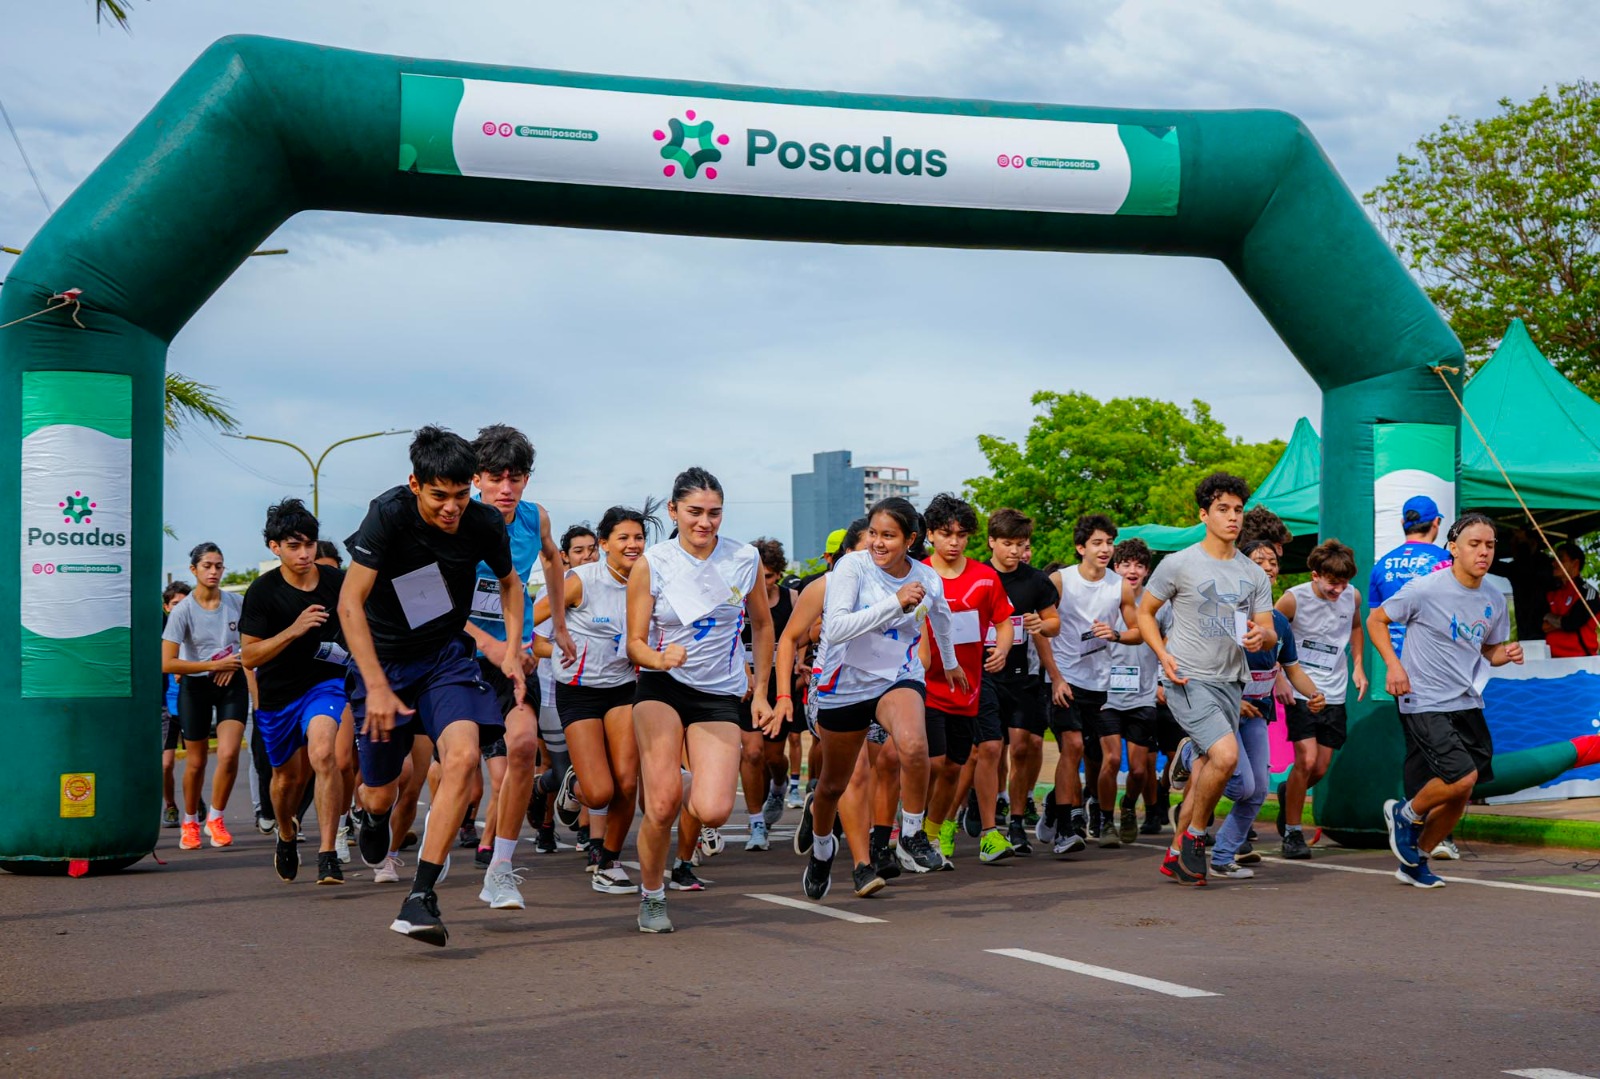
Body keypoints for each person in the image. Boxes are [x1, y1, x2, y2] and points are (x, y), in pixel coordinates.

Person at [340, 426, 527, 946]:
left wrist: (511, 648)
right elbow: (349, 602)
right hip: (383, 663)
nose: (452, 508)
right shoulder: (389, 513)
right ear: (415, 484)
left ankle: (421, 897)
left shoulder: (484, 522)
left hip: (444, 657)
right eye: (439, 496)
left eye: (461, 495)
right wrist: (375, 686)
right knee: (382, 790)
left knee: (464, 759)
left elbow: (511, 584)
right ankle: (369, 814)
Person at [787, 497, 963, 898]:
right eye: (874, 534)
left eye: (889, 536)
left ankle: (912, 836)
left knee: (915, 745)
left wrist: (950, 663)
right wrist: (894, 602)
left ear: (911, 539)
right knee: (833, 785)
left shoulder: (927, 577)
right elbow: (838, 628)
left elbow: (943, 620)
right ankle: (822, 849)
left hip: (896, 676)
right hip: (845, 682)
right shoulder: (853, 567)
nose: (878, 544)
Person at [625, 467, 774, 933]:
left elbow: (764, 626)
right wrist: (659, 656)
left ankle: (685, 775)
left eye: (714, 513)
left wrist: (764, 691)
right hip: (662, 686)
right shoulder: (653, 562)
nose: (705, 522)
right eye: (694, 512)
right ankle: (652, 896)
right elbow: (633, 643)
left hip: (718, 692)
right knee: (663, 805)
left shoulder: (743, 558)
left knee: (713, 809)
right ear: (674, 511)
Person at [1368, 514, 1524, 888]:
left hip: (1466, 701)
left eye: (1489, 545)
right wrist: (1393, 666)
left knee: (1463, 790)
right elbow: (1376, 620)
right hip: (1422, 698)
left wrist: (1507, 654)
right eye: (1474, 544)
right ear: (1453, 548)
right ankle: (1405, 814)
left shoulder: (1494, 598)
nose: (1483, 552)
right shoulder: (1425, 589)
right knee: (1461, 775)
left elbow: (1488, 650)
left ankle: (1415, 861)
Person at [1137, 472, 1277, 886]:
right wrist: (1163, 655)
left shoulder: (1252, 573)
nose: (1233, 517)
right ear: (1205, 514)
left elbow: (1267, 627)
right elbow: (1145, 613)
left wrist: (1260, 634)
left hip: (1230, 681)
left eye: (1238, 510)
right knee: (1227, 756)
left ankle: (1177, 852)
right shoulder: (1179, 563)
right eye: (1223, 509)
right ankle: (1198, 837)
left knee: (1204, 774)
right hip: (1187, 678)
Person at [460, 425, 575, 912]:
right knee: (459, 768)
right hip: (456, 652)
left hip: (515, 653)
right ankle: (403, 836)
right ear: (476, 478)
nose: (507, 489)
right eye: (496, 478)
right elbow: (432, 600)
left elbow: (552, 558)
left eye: (517, 478)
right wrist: (484, 641)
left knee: (525, 746)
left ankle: (501, 870)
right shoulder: (457, 520)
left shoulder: (535, 517)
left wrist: (561, 625)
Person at [536, 502, 655, 895]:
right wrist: (553, 650)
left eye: (639, 537)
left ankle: (608, 861)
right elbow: (523, 623)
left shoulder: (651, 580)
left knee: (626, 781)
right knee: (599, 791)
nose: (633, 544)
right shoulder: (580, 581)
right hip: (578, 693)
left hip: (624, 690)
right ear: (604, 543)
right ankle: (573, 787)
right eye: (623, 537)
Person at [1197, 539, 1325, 879]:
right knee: (1240, 786)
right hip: (1223, 710)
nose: (1267, 566)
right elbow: (1205, 669)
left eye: (1272, 561)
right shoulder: (1225, 617)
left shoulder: (1279, 623)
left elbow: (1293, 668)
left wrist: (1313, 693)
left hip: (1258, 711)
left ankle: (1223, 857)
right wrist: (1234, 700)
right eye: (1258, 560)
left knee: (1256, 792)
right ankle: (1190, 756)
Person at [240, 498, 350, 885]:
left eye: (310, 544)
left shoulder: (336, 581)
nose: (304, 554)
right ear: (275, 547)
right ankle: (286, 834)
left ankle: (327, 853)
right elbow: (249, 656)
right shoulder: (262, 592)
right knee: (287, 780)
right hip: (278, 694)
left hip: (326, 683)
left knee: (323, 753)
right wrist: (294, 629)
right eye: (294, 546)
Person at [919, 493, 1013, 867]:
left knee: (956, 766)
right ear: (930, 535)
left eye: (961, 535)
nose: (954, 542)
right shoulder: (916, 574)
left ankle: (930, 833)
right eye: (946, 534)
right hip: (922, 684)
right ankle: (908, 827)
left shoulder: (985, 578)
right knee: (932, 761)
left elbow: (1004, 620)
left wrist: (1002, 649)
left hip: (967, 687)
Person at [1037, 515, 1141, 852]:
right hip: (1065, 680)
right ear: (1081, 547)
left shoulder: (1120, 586)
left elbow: (1139, 632)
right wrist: (1055, 677)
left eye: (1109, 542)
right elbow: (1040, 628)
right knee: (1073, 747)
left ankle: (1056, 801)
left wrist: (1115, 634)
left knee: (1107, 757)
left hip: (1101, 684)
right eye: (1097, 543)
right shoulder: (1060, 581)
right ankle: (1068, 827)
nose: (1105, 549)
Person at [1276, 539, 1368, 858]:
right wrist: (1278, 678)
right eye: (1332, 583)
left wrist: (1358, 666)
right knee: (1307, 760)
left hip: (1336, 690)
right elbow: (1270, 636)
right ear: (1316, 574)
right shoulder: (1291, 600)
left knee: (1320, 767)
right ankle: (1292, 833)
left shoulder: (1351, 596)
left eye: (1343, 583)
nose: (1338, 590)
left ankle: (1290, 793)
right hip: (1301, 689)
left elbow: (1356, 627)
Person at [162, 543, 250, 851]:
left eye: (219, 566)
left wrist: (235, 661)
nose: (214, 571)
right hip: (195, 686)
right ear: (194, 570)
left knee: (228, 754)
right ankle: (189, 821)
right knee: (197, 762)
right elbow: (167, 662)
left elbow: (254, 642)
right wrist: (214, 665)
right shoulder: (183, 610)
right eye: (208, 566)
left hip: (232, 682)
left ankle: (216, 817)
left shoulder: (236, 603)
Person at [984, 511, 1059, 855]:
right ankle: (982, 811)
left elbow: (1054, 623)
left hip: (1023, 678)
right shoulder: (978, 577)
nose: (1014, 551)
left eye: (1021, 545)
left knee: (1023, 747)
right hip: (982, 676)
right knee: (987, 750)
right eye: (1008, 544)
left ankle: (1015, 821)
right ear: (992, 542)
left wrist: (1040, 626)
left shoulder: (1035, 581)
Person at [738, 538, 799, 852]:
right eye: (758, 576)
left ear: (779, 574)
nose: (763, 583)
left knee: (774, 756)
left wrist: (800, 663)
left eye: (770, 576)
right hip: (744, 685)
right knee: (752, 753)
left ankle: (778, 785)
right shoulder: (736, 598)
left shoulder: (792, 598)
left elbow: (802, 637)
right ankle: (756, 822)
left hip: (780, 685)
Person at [1101, 538, 1162, 844]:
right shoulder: (1106, 602)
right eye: (1126, 564)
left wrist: (1163, 681)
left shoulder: (1157, 607)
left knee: (1139, 770)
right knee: (1111, 760)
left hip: (1143, 695)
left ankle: (1127, 807)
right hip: (1107, 696)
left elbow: (1170, 645)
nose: (1132, 570)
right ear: (1116, 567)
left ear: (1147, 571)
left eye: (1139, 565)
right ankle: (1104, 820)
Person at [1367, 495, 1451, 658]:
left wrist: (1392, 664)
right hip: (1439, 662)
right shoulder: (1446, 560)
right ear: (1436, 522)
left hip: (1397, 668)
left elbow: (1375, 622)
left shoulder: (1381, 565)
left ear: (1402, 523)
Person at [159, 581, 192, 828]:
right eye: (175, 604)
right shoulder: (159, 636)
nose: (180, 609)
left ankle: (194, 800)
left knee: (196, 762)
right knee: (166, 763)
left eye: (184, 604)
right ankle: (170, 805)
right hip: (166, 707)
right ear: (166, 607)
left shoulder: (197, 633)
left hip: (192, 702)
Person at [1544, 542, 1598, 658]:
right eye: (1554, 559)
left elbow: (1572, 623)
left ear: (1575, 564)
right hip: (1550, 661)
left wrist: (1551, 617)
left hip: (1582, 662)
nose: (1554, 563)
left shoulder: (1588, 592)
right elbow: (1540, 624)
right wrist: (1562, 621)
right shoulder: (1551, 592)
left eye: (1560, 559)